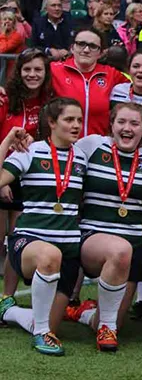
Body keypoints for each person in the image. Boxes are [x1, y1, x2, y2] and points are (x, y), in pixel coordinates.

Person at [0, 97, 87, 356]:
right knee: (50, 256)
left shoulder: (81, 156)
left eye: (79, 120)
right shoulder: (30, 151)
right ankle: (39, 333)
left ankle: (11, 311)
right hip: (29, 240)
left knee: (49, 324)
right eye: (69, 120)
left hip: (69, 248)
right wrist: (6, 142)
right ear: (51, 122)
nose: (76, 125)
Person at [65, 103, 142, 352]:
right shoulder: (92, 144)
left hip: (133, 243)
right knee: (119, 250)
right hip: (94, 237)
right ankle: (104, 326)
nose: (127, 128)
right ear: (112, 126)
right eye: (121, 122)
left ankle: (84, 314)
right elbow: (61, 157)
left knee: (113, 322)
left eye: (135, 124)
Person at [0, 49, 54, 300]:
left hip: (33, 179)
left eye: (38, 70)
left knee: (18, 239)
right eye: (27, 69)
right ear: (18, 72)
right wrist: (2, 180)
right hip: (3, 175)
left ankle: (7, 297)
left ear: (46, 73)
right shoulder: (5, 99)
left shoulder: (51, 101)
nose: (32, 75)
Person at [50, 28, 131, 137]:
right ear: (72, 48)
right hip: (63, 146)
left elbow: (139, 89)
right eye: (81, 44)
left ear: (101, 53)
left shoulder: (111, 74)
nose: (86, 50)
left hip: (98, 148)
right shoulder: (54, 70)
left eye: (93, 46)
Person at [0, 10, 25, 74]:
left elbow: (2, 50)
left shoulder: (17, 36)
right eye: (5, 19)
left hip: (12, 69)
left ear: (13, 23)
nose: (7, 21)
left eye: (10, 19)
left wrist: (3, 34)